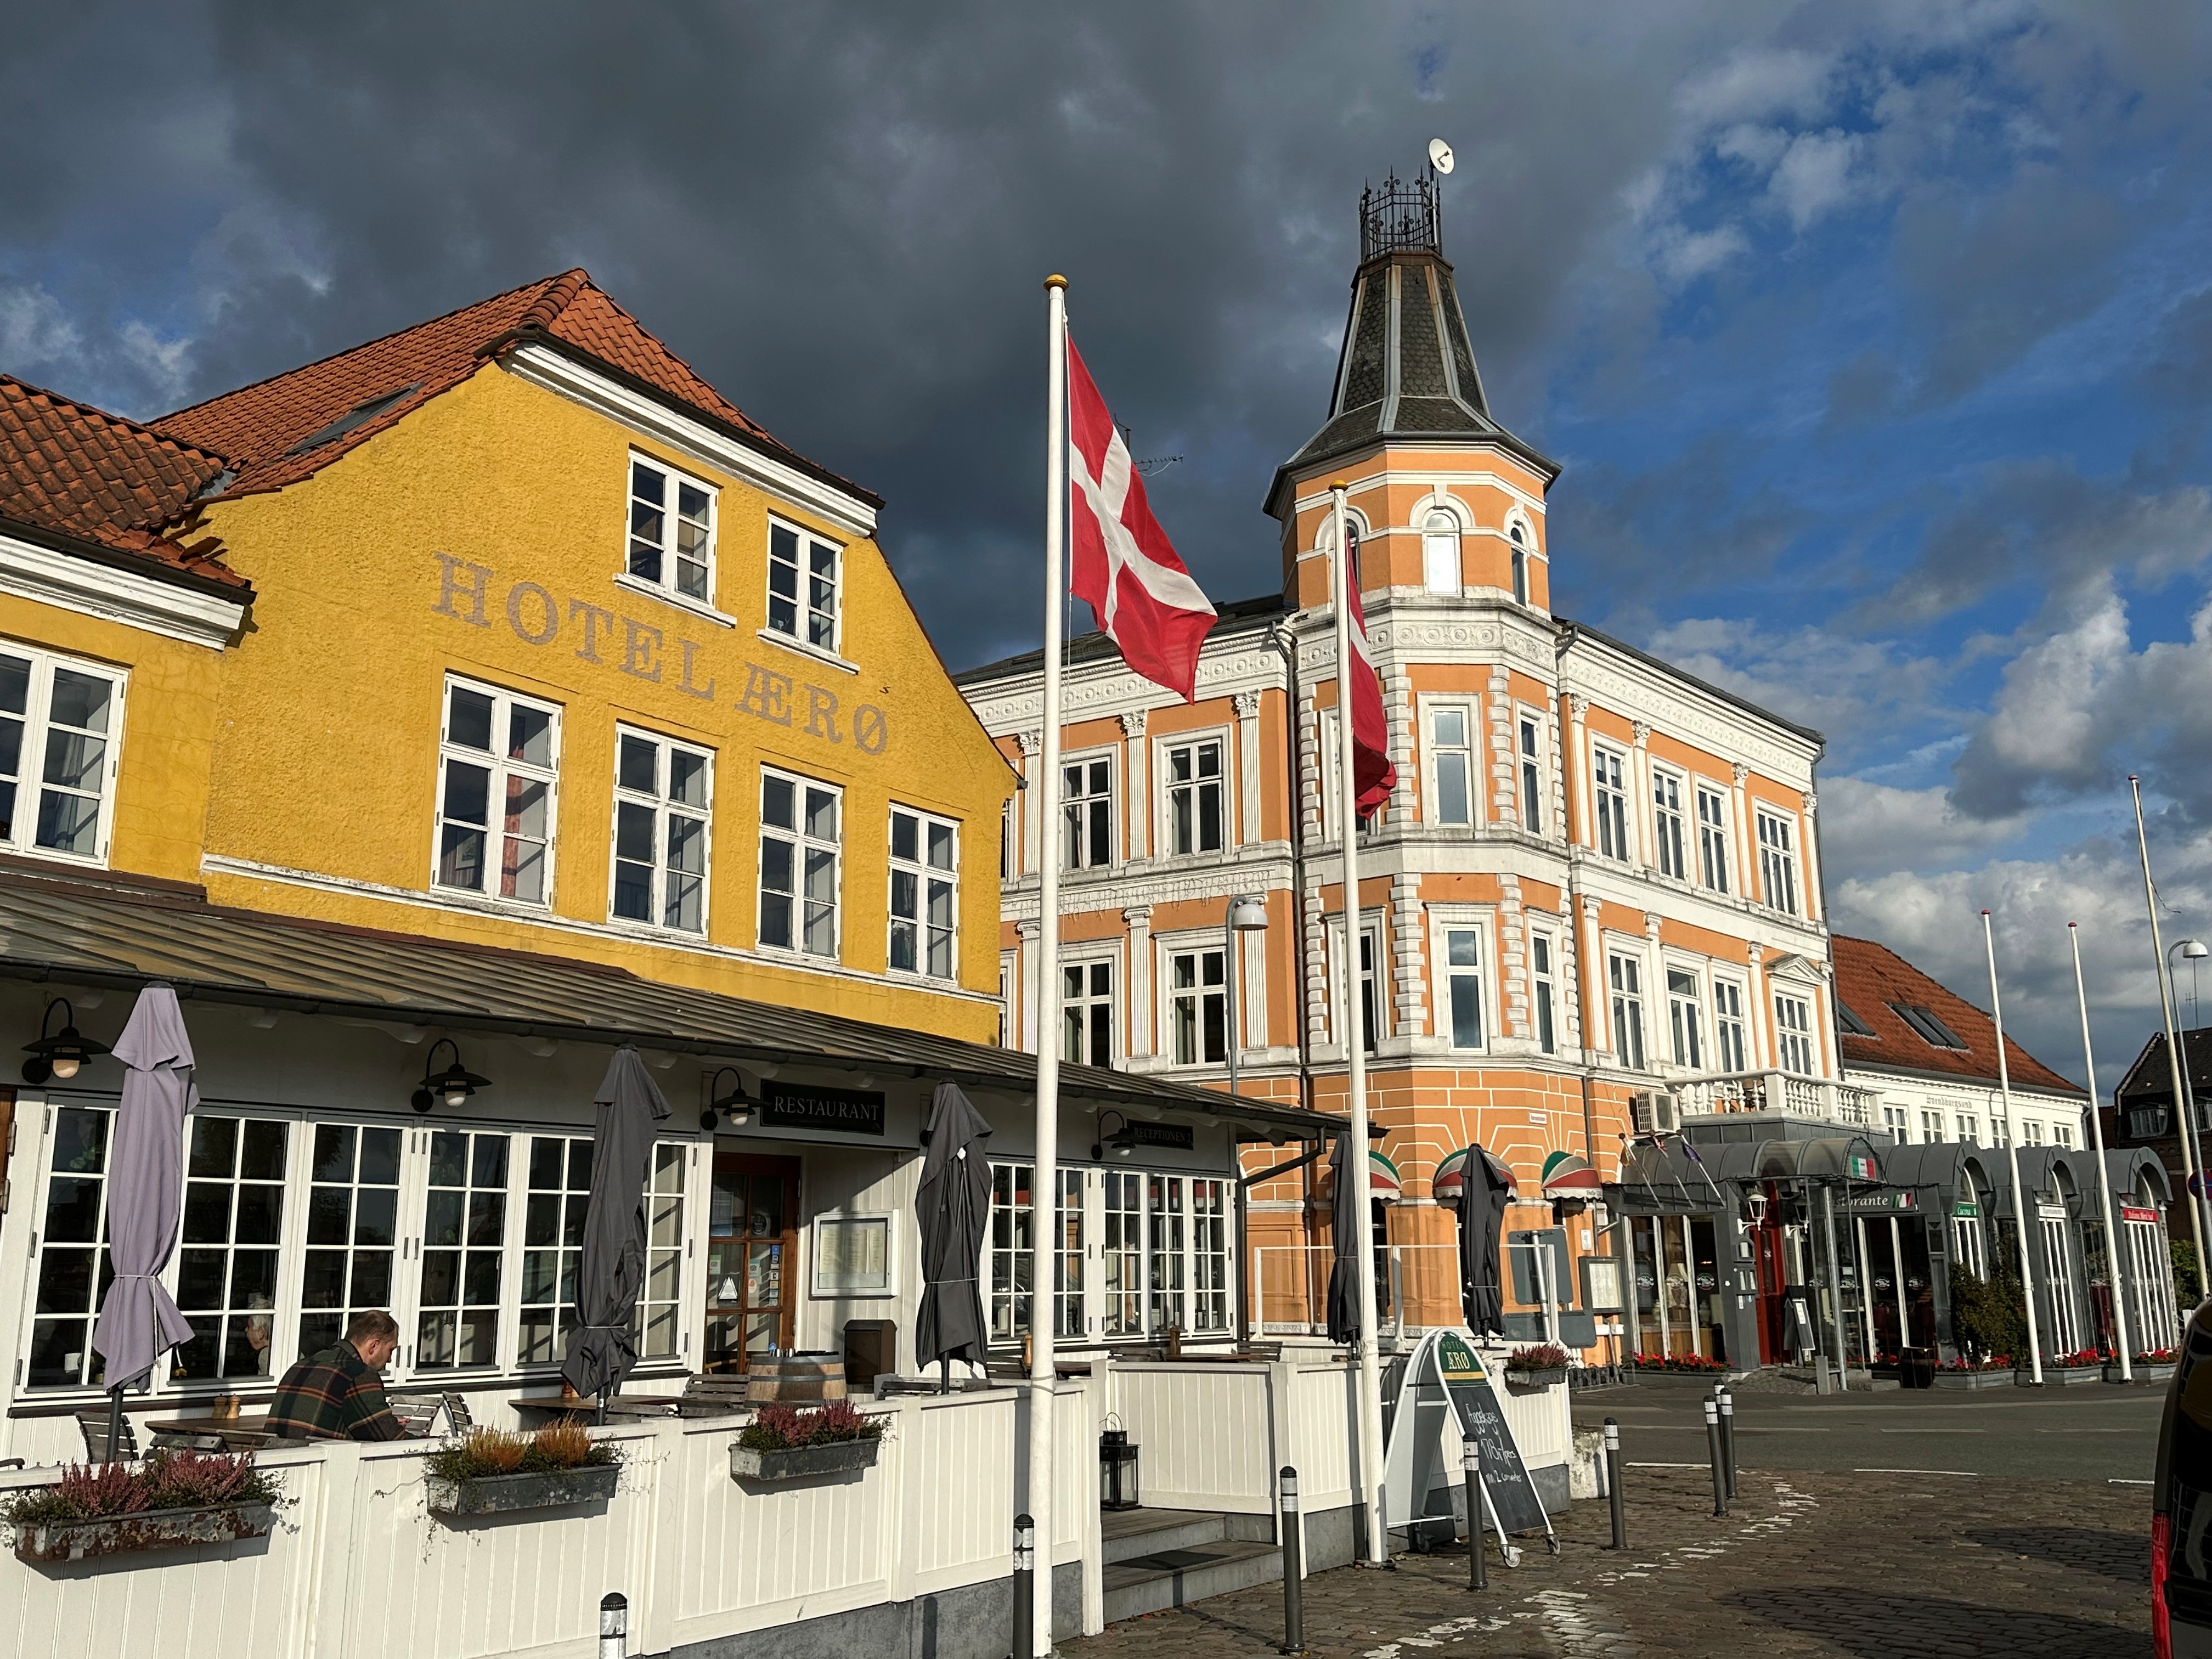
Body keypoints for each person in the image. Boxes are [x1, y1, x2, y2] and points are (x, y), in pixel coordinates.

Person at [264, 1310, 406, 1441]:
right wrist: (426, 1445)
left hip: (276, 1459)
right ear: (374, 1346)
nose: (390, 1359)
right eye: (391, 1350)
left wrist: (385, 1421)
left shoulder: (301, 1365)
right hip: (317, 1462)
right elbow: (388, 1436)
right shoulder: (359, 1373)